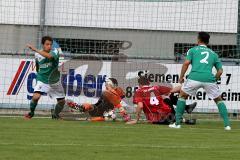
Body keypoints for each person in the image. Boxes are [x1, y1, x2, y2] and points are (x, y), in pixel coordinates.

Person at [169, 32, 231, 130]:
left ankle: (177, 124)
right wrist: (215, 79)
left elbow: (186, 63)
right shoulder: (213, 54)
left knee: (182, 96)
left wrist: (181, 77)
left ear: (198, 40)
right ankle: (227, 125)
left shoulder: (193, 50)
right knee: (218, 100)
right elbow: (220, 71)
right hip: (209, 79)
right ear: (208, 41)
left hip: (194, 77)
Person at [24, 36, 65, 120]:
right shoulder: (37, 55)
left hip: (54, 81)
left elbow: (49, 57)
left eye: (50, 44)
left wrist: (35, 49)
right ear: (43, 45)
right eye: (47, 44)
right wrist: (39, 73)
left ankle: (55, 114)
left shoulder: (55, 51)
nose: (49, 46)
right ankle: (31, 113)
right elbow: (38, 65)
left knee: (62, 102)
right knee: (35, 97)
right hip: (42, 80)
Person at [126, 76, 196, 125]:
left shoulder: (138, 92)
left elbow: (140, 106)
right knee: (168, 96)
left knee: (166, 97)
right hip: (168, 114)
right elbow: (176, 89)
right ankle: (186, 110)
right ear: (148, 83)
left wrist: (136, 119)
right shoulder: (156, 87)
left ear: (140, 84)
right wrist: (184, 93)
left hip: (156, 119)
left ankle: (183, 117)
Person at [66, 78, 131, 122]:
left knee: (110, 115)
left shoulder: (117, 91)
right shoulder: (107, 92)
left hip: (105, 110)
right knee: (89, 106)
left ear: (114, 85)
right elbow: (101, 101)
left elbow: (121, 96)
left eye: (108, 85)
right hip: (100, 109)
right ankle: (80, 108)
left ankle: (86, 113)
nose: (106, 86)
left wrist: (116, 100)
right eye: (106, 85)